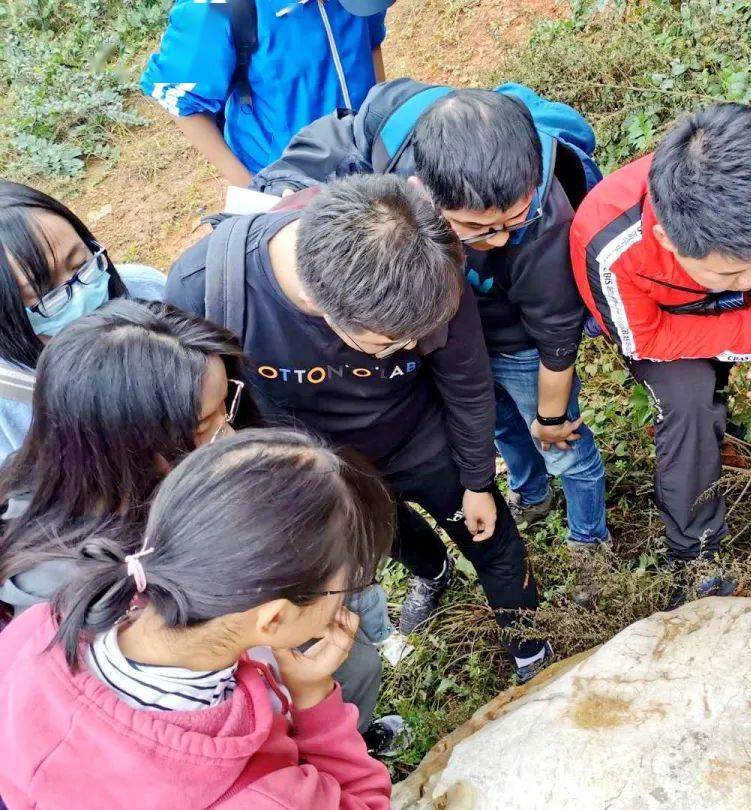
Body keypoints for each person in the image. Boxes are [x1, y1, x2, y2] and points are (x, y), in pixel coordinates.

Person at [165, 174, 551, 681]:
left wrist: (478, 480)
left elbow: (467, 381)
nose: (412, 349)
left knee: (491, 537)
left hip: (422, 441)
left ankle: (529, 649)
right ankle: (433, 573)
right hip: (322, 466)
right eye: (391, 343)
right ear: (326, 309)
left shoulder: (426, 257)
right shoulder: (208, 290)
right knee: (387, 535)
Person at [0, 300, 404, 754]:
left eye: (226, 409)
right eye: (204, 427)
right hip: (258, 729)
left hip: (288, 659)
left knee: (353, 673)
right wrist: (308, 712)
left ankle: (355, 735)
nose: (230, 439)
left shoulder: (138, 479)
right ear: (121, 446)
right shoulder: (67, 588)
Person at [253, 80, 610, 551]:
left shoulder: (547, 224)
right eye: (476, 228)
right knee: (500, 424)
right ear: (421, 193)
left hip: (522, 343)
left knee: (559, 444)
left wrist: (549, 415)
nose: (499, 239)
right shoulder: (394, 130)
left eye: (512, 221)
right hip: (454, 339)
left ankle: (588, 537)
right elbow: (329, 145)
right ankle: (531, 492)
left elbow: (556, 342)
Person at [0, 428, 393, 809]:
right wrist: (313, 697)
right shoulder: (264, 795)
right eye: (343, 589)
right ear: (273, 621)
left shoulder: (39, 626)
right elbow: (366, 804)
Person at [570, 101, 751, 602]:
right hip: (672, 324)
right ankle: (694, 553)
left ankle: (734, 414)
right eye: (730, 271)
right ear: (667, 238)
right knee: (689, 404)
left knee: (744, 346)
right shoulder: (607, 240)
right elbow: (646, 339)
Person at [140, 0, 394, 185]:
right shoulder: (213, 9)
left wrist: (379, 127)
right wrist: (253, 189)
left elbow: (371, 43)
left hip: (369, 155)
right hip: (293, 180)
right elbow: (181, 103)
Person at [0, 181, 165, 463]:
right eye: (45, 294)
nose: (79, 292)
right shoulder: (9, 396)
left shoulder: (145, 289)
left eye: (80, 264)